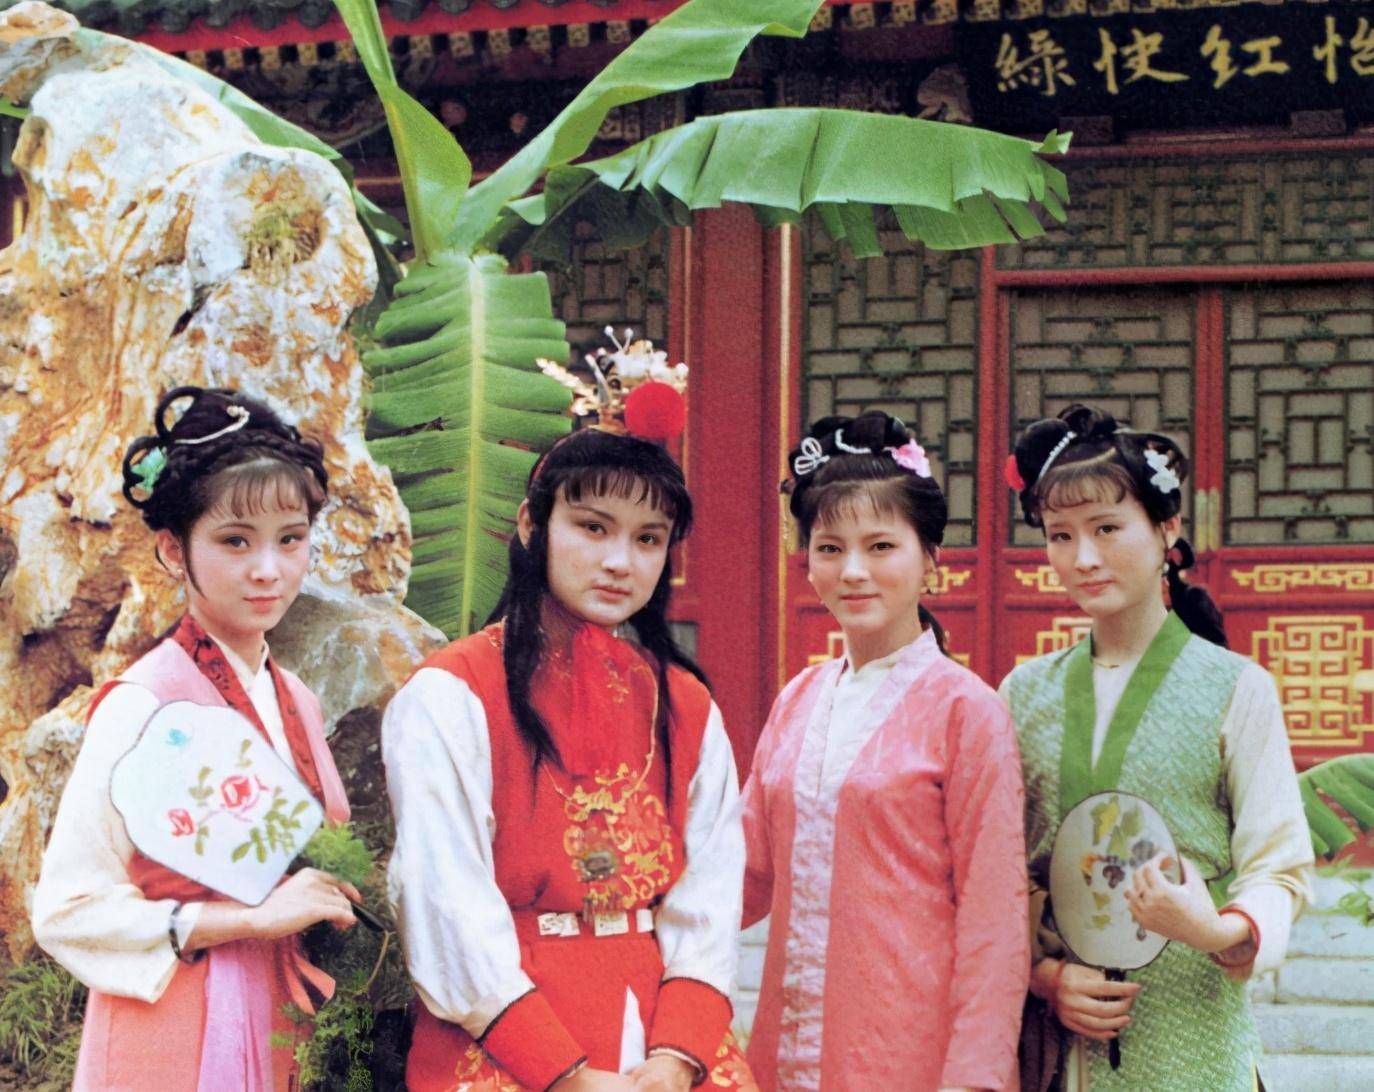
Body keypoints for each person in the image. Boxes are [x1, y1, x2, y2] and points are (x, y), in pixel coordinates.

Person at [382, 425, 755, 1092]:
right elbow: (444, 900)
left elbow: (711, 892)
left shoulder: (685, 704)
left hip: (666, 1042)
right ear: (533, 524)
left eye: (648, 539)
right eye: (593, 527)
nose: (620, 562)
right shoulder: (451, 694)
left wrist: (677, 1058)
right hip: (508, 1034)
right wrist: (565, 1075)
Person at [32, 386, 358, 1091]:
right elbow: (65, 910)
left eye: (290, 539)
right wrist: (242, 919)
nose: (268, 569)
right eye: (235, 541)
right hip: (172, 1023)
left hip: (279, 1018)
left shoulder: (296, 699)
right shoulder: (143, 704)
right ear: (173, 550)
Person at [1001, 403, 1315, 1092]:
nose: (1083, 558)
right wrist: (1046, 976)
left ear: (1167, 527)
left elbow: (1279, 865)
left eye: (1107, 528)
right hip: (1060, 1048)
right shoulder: (1022, 694)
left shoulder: (1237, 688)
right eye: (1060, 537)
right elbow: (999, 873)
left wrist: (1214, 930)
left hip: (1194, 1034)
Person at [739, 410, 1029, 1092]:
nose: (853, 571)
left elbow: (994, 921)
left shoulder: (968, 711)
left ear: (930, 559)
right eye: (829, 548)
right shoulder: (798, 700)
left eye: (880, 546)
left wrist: (975, 1077)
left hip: (912, 1057)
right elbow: (743, 874)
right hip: (788, 1051)